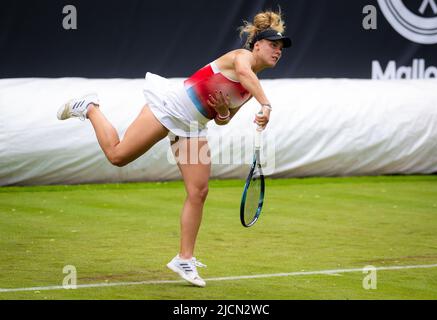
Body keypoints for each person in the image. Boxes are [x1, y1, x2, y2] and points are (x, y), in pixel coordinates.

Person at [57, 10, 291, 287]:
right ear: (257, 45)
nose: (278, 51)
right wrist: (267, 105)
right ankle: (90, 107)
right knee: (117, 156)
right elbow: (243, 73)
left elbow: (223, 120)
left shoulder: (250, 89)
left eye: (281, 47)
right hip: (170, 109)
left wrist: (222, 111)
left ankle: (184, 258)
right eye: (273, 45)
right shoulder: (242, 58)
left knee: (199, 191)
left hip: (193, 128)